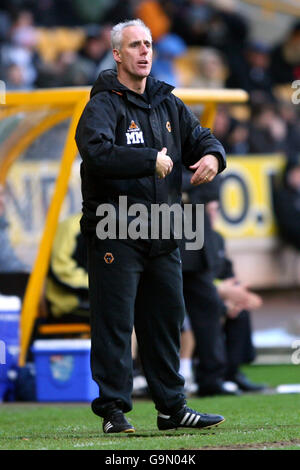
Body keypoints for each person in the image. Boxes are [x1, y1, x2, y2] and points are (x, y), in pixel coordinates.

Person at [75, 19, 226, 434]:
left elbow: (202, 138)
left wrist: (214, 156)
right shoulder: (102, 105)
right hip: (114, 229)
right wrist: (148, 160)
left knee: (166, 320)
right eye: (135, 46)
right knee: (115, 322)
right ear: (117, 55)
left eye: (149, 44)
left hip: (162, 229)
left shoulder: (167, 102)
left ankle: (171, 408)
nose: (145, 51)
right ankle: (113, 412)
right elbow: (96, 154)